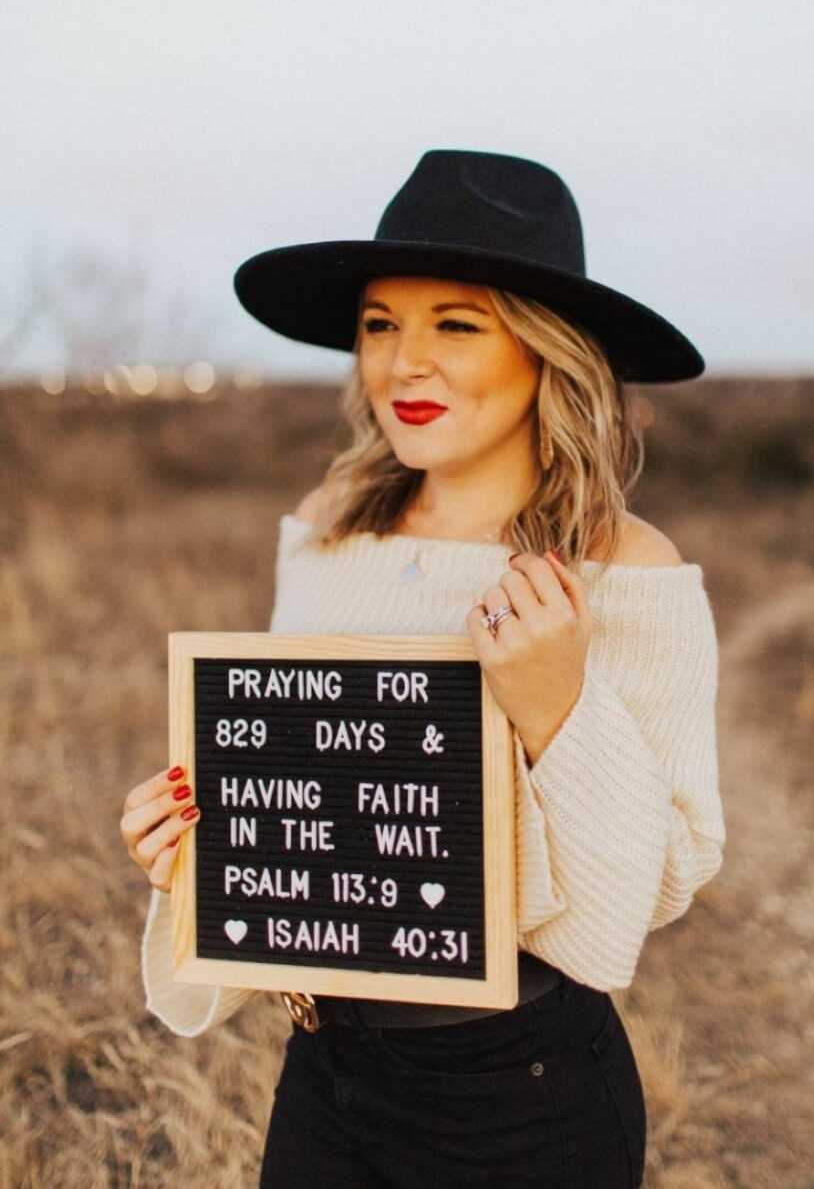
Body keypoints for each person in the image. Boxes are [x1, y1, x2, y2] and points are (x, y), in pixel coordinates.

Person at [120, 150, 726, 1188]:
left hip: (519, 1090)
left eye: (455, 323)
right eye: (378, 324)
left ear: (545, 349)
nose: (405, 363)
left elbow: (664, 881)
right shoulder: (323, 534)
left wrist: (559, 710)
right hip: (323, 1063)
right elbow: (312, 789)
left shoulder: (627, 569)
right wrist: (197, 850)